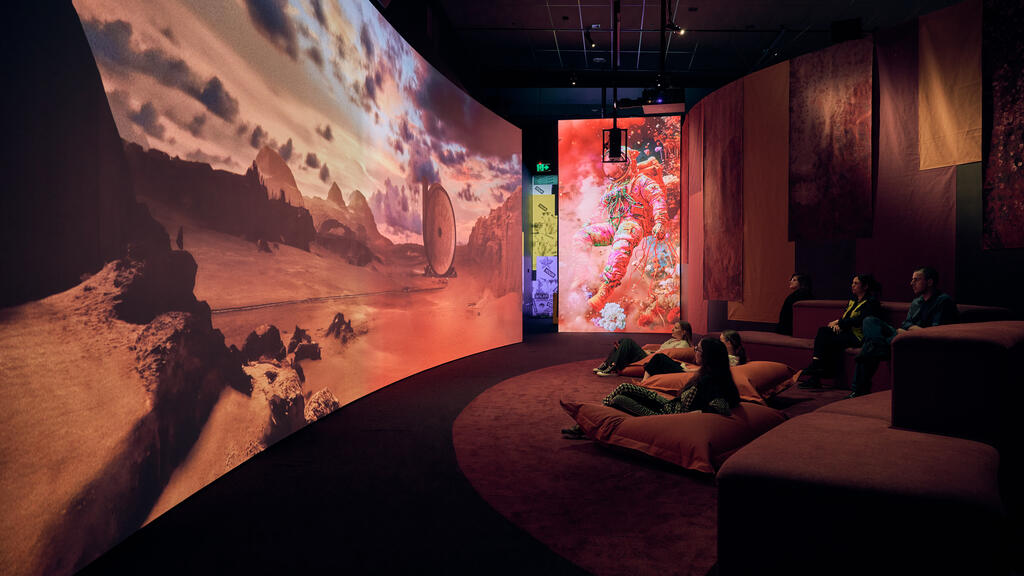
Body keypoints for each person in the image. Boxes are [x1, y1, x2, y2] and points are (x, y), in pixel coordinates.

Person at [574, 148, 669, 312]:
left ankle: (604, 292)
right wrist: (587, 226)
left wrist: (660, 221)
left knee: (622, 243)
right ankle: (582, 275)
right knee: (581, 236)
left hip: (633, 224)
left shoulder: (641, 181)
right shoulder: (611, 188)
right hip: (614, 226)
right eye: (610, 165)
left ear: (626, 165)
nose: (614, 170)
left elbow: (657, 198)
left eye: (617, 165)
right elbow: (599, 212)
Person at [849, 266, 959, 397]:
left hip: (921, 341)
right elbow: (906, 323)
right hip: (904, 336)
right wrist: (907, 329)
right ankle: (879, 347)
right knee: (869, 321)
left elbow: (935, 331)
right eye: (912, 279)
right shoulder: (917, 302)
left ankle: (858, 389)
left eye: (916, 280)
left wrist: (910, 331)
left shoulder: (943, 301)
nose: (911, 283)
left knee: (869, 347)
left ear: (929, 282)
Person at [600, 338, 741, 418]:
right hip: (670, 404)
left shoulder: (710, 380)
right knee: (624, 387)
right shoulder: (708, 374)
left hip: (666, 415)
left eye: (698, 349)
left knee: (619, 398)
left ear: (708, 355)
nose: (695, 352)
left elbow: (721, 408)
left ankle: (600, 416)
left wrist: (696, 413)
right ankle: (601, 410)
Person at [797, 273, 882, 390]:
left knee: (828, 340)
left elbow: (860, 320)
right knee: (823, 331)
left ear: (865, 286)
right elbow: (846, 317)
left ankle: (816, 373)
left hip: (858, 337)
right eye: (852, 283)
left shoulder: (871, 302)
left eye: (856, 283)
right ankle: (816, 370)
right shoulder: (853, 300)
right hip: (847, 332)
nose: (852, 285)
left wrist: (839, 323)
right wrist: (839, 324)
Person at [594, 321, 692, 376]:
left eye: (676, 328)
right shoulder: (671, 340)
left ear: (684, 332)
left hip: (651, 359)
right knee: (621, 342)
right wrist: (650, 351)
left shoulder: (683, 344)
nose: (672, 329)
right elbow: (661, 350)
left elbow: (671, 357)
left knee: (628, 342)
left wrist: (651, 354)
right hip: (650, 355)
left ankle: (612, 368)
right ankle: (607, 364)